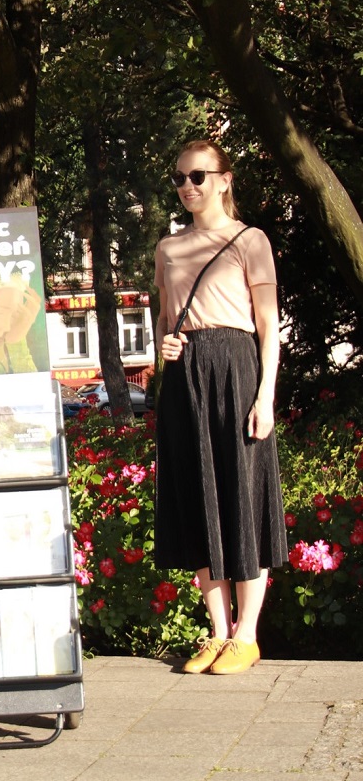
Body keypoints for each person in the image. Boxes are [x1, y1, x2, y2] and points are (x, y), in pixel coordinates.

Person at [154, 139, 286, 676]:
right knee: (196, 493)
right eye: (181, 178)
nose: (189, 186)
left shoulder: (250, 241)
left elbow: (268, 325)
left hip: (236, 372)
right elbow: (166, 321)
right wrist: (163, 346)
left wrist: (266, 396)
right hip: (185, 377)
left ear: (225, 180)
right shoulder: (168, 248)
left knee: (241, 492)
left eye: (199, 176)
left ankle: (247, 635)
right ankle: (216, 631)